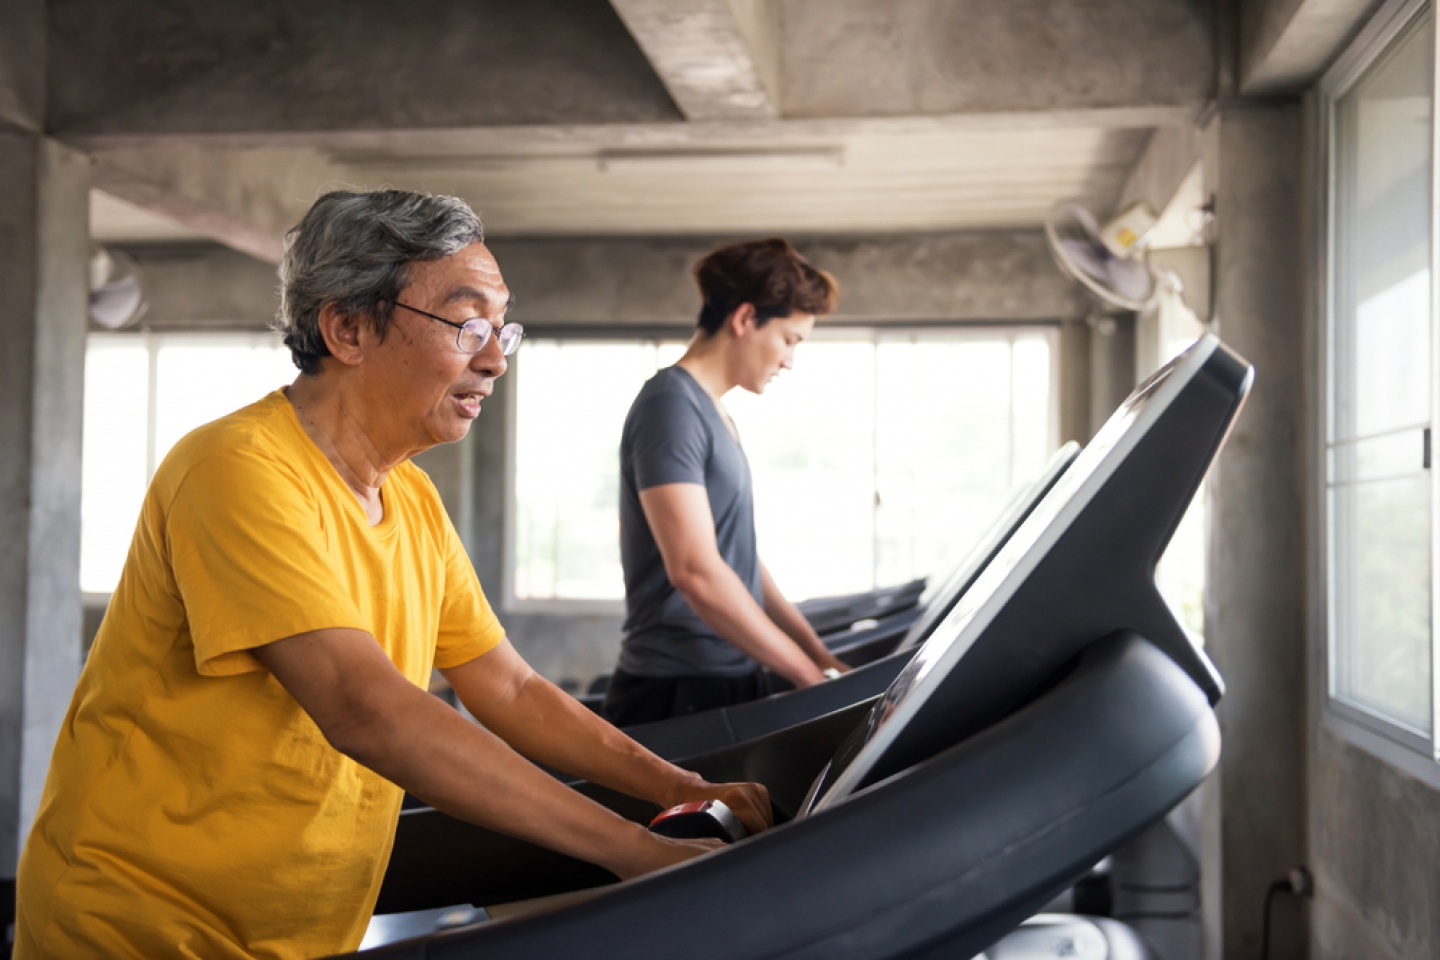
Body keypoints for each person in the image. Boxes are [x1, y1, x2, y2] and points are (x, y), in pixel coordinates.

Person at [14, 189, 769, 960]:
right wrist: (633, 851)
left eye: (502, 325)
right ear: (347, 328)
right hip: (137, 928)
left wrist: (677, 789)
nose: (495, 357)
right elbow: (364, 708)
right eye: (467, 323)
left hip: (297, 933)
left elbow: (507, 688)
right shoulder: (238, 469)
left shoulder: (408, 495)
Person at [605, 239, 850, 727]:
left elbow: (739, 559)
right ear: (744, 320)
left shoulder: (714, 412)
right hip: (677, 689)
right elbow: (695, 571)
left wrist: (822, 658)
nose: (789, 361)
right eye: (788, 339)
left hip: (728, 675)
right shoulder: (670, 408)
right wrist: (808, 676)